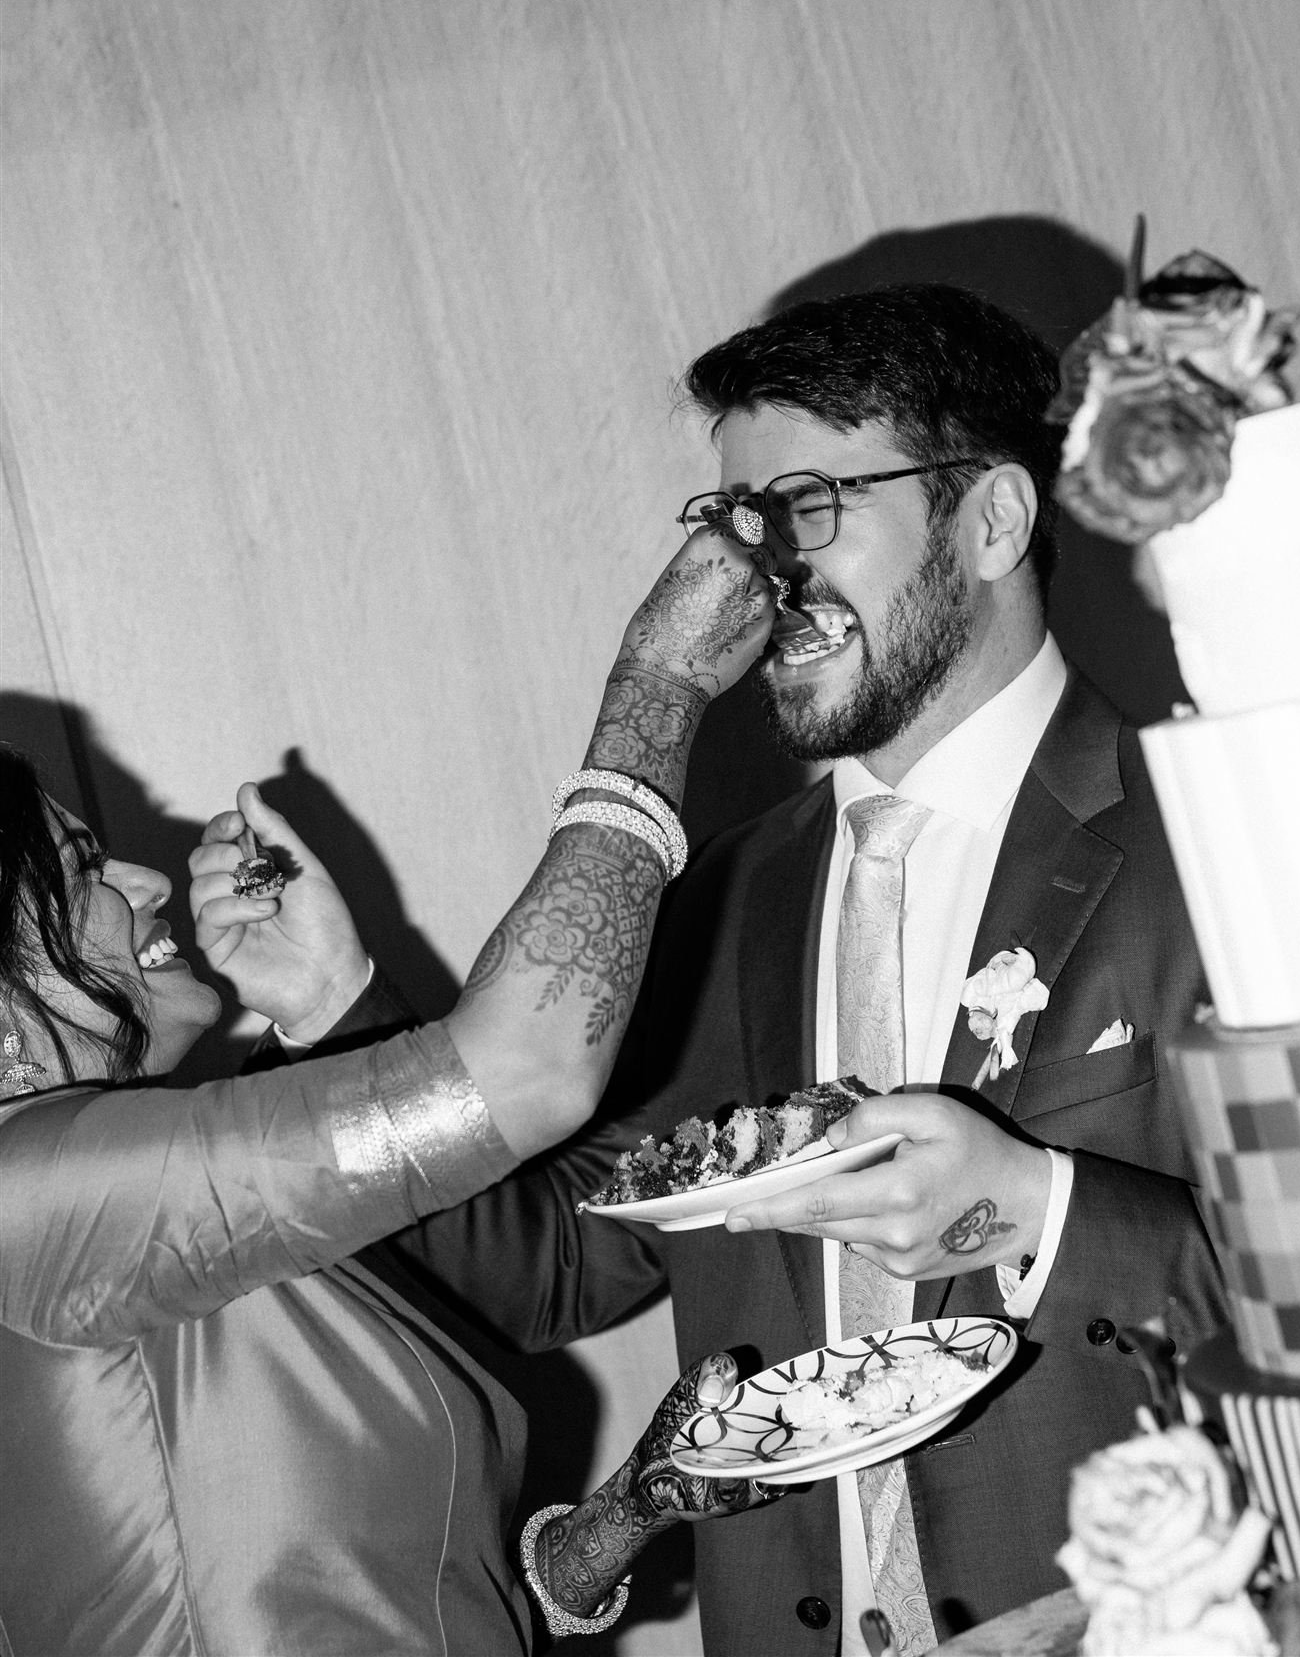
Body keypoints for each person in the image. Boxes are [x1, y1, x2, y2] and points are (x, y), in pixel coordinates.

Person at [306, 286, 1229, 1653]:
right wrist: (331, 1009)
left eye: (804, 506)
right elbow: (550, 1264)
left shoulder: (1216, 826)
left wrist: (1037, 1211)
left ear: (990, 520)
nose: (754, 577)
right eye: (730, 524)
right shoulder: (729, 889)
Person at [0, 525, 784, 1656]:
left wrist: (625, 1514)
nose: (143, 874)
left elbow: (334, 1572)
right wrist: (653, 692)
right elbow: (530, 1061)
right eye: (81, 872)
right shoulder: (39, 1196)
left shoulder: (114, 1209)